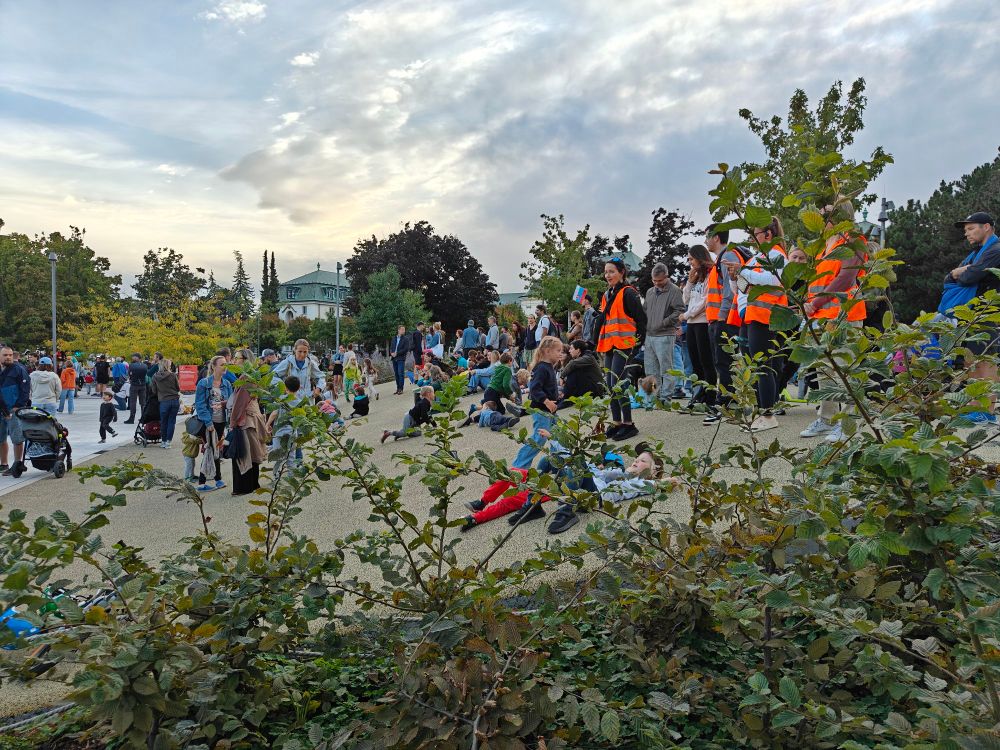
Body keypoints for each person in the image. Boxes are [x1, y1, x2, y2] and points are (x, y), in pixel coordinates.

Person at [799, 199, 869, 441]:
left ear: (840, 217)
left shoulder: (854, 240)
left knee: (844, 370)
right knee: (824, 372)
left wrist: (815, 302)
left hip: (844, 315)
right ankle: (827, 419)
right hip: (821, 316)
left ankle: (848, 423)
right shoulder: (824, 246)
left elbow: (846, 279)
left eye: (825, 214)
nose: (820, 218)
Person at [725, 216, 788, 432]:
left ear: (768, 235)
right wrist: (734, 276)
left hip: (764, 316)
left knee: (763, 367)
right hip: (750, 315)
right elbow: (740, 289)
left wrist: (742, 271)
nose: (751, 238)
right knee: (755, 367)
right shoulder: (756, 258)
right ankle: (762, 413)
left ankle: (768, 415)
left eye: (755, 234)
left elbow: (774, 281)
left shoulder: (777, 254)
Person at [940, 212, 1000, 422]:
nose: (967, 233)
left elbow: (970, 276)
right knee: (970, 360)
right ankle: (974, 407)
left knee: (985, 360)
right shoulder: (976, 254)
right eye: (965, 230)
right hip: (971, 312)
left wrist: (961, 272)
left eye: (971, 228)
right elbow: (950, 277)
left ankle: (986, 410)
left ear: (987, 227)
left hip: (987, 312)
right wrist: (958, 272)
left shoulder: (995, 250)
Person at [593, 259, 647, 440]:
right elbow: (602, 319)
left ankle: (629, 424)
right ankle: (617, 422)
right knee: (610, 385)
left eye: (612, 271)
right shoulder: (607, 294)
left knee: (619, 384)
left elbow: (641, 320)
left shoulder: (629, 293)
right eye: (606, 272)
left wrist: (638, 344)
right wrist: (593, 341)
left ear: (622, 272)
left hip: (625, 345)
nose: (607, 275)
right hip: (610, 344)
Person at [704, 224, 741, 425]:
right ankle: (728, 401)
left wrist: (721, 316)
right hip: (718, 319)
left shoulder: (728, 257)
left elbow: (729, 291)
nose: (705, 241)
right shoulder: (720, 259)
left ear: (716, 237)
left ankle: (725, 403)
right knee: (722, 362)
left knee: (724, 363)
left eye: (707, 236)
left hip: (724, 319)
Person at [511, 335, 562, 469]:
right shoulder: (541, 368)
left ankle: (556, 464)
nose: (560, 354)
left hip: (550, 410)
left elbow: (547, 386)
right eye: (558, 351)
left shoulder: (549, 367)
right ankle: (519, 467)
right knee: (539, 439)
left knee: (558, 435)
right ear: (547, 351)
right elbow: (534, 389)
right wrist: (547, 401)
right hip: (541, 410)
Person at [680, 246, 716, 415]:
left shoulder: (710, 275)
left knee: (706, 362)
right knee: (695, 363)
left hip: (703, 322)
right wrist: (689, 281)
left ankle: (711, 397)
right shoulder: (696, 277)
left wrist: (687, 315)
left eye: (691, 259)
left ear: (700, 258)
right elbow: (685, 299)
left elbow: (705, 301)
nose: (690, 262)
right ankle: (699, 395)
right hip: (692, 324)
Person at [643, 262, 686, 403]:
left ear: (667, 276)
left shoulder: (675, 291)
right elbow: (645, 310)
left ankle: (666, 398)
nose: (656, 283)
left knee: (666, 369)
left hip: (665, 334)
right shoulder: (649, 292)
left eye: (659, 280)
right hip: (650, 335)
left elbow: (679, 311)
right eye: (654, 280)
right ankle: (653, 397)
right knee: (650, 369)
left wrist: (663, 322)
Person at [228, 352, 267, 496]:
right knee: (252, 452)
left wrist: (232, 423)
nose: (234, 361)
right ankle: (253, 484)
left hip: (245, 421)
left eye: (237, 358)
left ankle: (243, 487)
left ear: (245, 360)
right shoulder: (253, 377)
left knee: (243, 454)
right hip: (253, 419)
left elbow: (239, 404)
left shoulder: (245, 379)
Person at [194, 355, 233, 492]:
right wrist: (208, 422)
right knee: (210, 449)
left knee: (216, 449)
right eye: (222, 364)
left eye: (226, 364)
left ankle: (217, 479)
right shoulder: (204, 383)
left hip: (221, 421)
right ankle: (202, 483)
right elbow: (200, 405)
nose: (225, 367)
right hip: (209, 422)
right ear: (214, 366)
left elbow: (230, 403)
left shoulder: (227, 384)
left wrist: (226, 405)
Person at [0, 346, 30, 475]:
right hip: (1, 409)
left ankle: (17, 464)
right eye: (5, 355)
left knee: (17, 438)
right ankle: (4, 464)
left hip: (14, 410)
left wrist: (18, 406)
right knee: (1, 438)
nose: (8, 357)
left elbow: (25, 389)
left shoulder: (19, 370)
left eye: (10, 355)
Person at [559, 339, 604, 407]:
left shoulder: (588, 357)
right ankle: (566, 399)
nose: (569, 351)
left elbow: (573, 364)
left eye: (571, 349)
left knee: (574, 370)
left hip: (596, 391)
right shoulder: (583, 357)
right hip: (589, 388)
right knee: (573, 371)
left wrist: (562, 376)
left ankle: (566, 400)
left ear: (578, 350)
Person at [151, 357, 181, 448]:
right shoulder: (173, 375)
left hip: (164, 401)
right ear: (168, 366)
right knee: (171, 422)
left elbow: (154, 391)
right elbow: (178, 388)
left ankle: (163, 441)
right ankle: (168, 441)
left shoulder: (155, 376)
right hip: (174, 400)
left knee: (163, 422)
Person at [123, 353, 148, 424]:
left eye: (133, 357)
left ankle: (132, 418)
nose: (132, 358)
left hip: (134, 385)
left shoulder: (131, 365)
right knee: (143, 403)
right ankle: (143, 418)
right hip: (143, 385)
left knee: (133, 402)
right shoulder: (145, 366)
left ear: (137, 357)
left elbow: (129, 374)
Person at [388, 325, 411, 395]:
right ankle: (398, 388)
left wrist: (397, 353)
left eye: (404, 330)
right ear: (398, 330)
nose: (403, 331)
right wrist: (391, 353)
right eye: (402, 329)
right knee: (396, 374)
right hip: (394, 358)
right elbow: (391, 347)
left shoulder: (406, 339)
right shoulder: (394, 338)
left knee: (400, 373)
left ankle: (401, 389)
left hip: (401, 358)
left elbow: (406, 349)